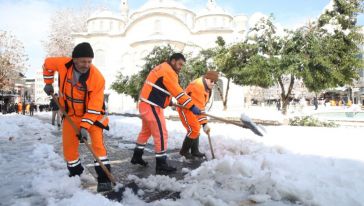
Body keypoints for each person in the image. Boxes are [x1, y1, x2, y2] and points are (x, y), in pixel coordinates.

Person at [43, 42, 111, 192]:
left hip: (93, 117)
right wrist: (48, 82)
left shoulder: (97, 78)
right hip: (70, 115)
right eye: (83, 61)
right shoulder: (63, 64)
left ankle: (105, 178)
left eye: (89, 61)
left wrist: (84, 127)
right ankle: (76, 172)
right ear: (74, 60)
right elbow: (47, 64)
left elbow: (94, 106)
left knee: (97, 146)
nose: (87, 65)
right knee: (69, 149)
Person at [130, 53, 201, 174]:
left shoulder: (163, 67)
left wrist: (168, 102)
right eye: (179, 64)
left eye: (182, 65)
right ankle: (161, 164)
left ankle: (137, 156)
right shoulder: (168, 71)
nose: (180, 67)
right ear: (173, 61)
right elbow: (177, 92)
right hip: (151, 106)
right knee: (161, 134)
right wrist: (192, 106)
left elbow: (160, 88)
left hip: (147, 104)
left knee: (146, 132)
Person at [177, 71, 219, 159]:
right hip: (185, 108)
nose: (213, 83)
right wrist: (204, 123)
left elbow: (200, 108)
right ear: (206, 78)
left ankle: (194, 151)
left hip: (194, 108)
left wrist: (204, 124)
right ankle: (184, 151)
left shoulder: (206, 87)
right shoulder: (198, 86)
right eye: (212, 81)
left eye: (215, 82)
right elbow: (199, 108)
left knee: (196, 128)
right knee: (194, 129)